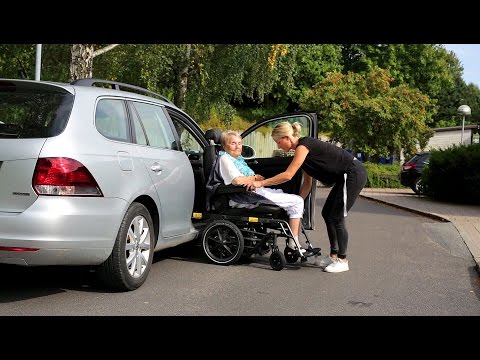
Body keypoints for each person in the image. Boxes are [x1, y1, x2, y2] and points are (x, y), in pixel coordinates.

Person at [252, 122, 367, 273]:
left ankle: (343, 260)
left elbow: (288, 175)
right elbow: (307, 183)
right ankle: (333, 255)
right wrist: (296, 203)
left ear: (287, 138)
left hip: (352, 173)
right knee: (327, 213)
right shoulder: (302, 152)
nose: (279, 147)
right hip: (344, 177)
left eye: (279, 142)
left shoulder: (303, 146)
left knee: (337, 216)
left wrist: (262, 183)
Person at [216, 130, 315, 257]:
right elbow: (237, 180)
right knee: (297, 201)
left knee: (293, 199)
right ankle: (293, 244)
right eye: (233, 143)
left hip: (253, 192)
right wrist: (255, 178)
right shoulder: (224, 158)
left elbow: (247, 177)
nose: (237, 146)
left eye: (240, 143)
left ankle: (294, 242)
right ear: (225, 146)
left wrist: (255, 178)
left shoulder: (238, 159)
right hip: (241, 196)